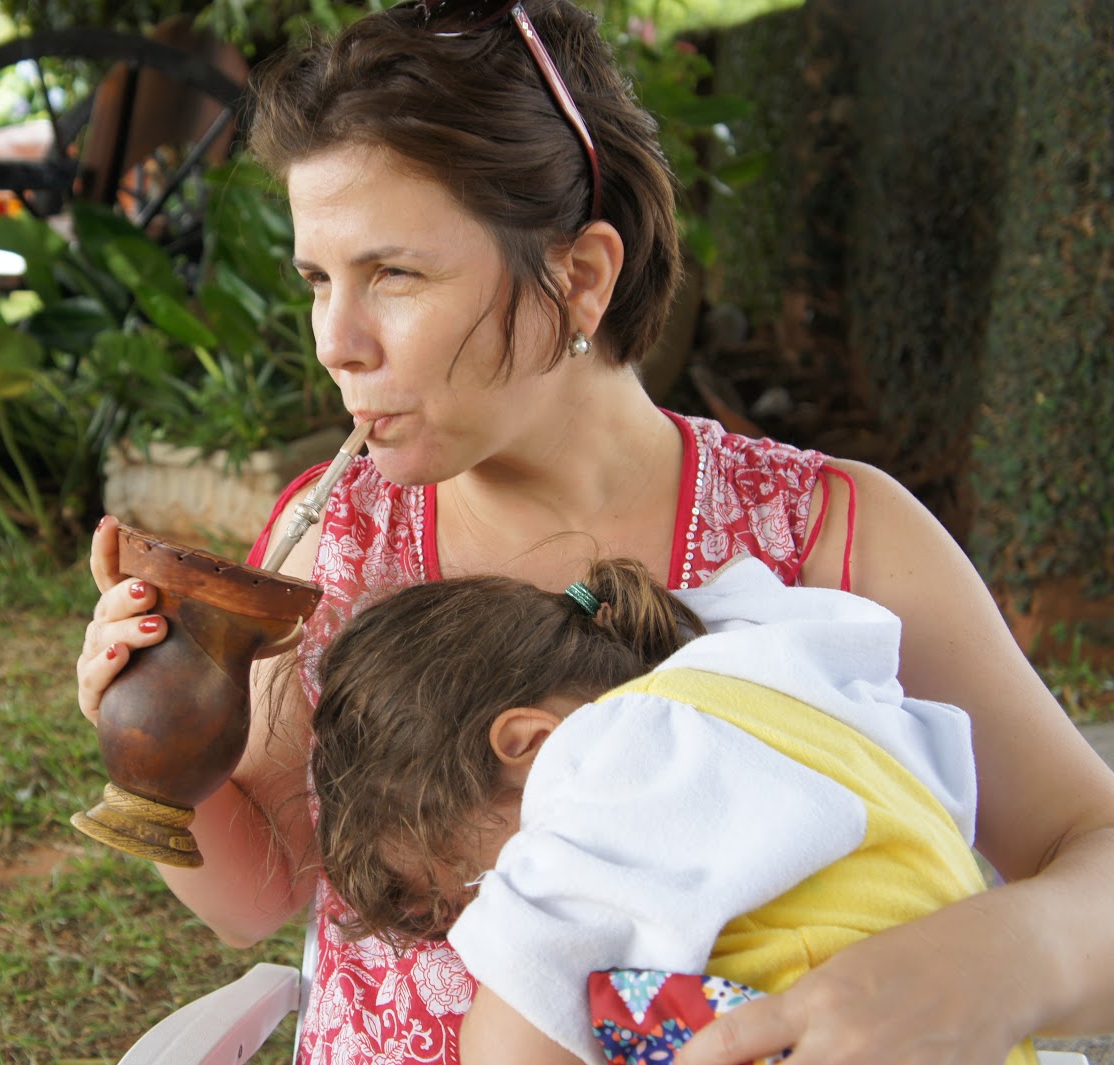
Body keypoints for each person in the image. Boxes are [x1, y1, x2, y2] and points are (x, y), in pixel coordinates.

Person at [75, 2, 1114, 1062]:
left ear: (578, 278)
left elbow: (1094, 843)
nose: (335, 342)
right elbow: (258, 896)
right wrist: (159, 750)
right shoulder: (336, 539)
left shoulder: (831, 537)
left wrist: (1003, 957)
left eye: (394, 274)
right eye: (317, 280)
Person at [309, 555, 1035, 1065]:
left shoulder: (621, 755)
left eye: (475, 883)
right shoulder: (778, 687)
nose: (491, 913)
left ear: (529, 743)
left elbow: (513, 1045)